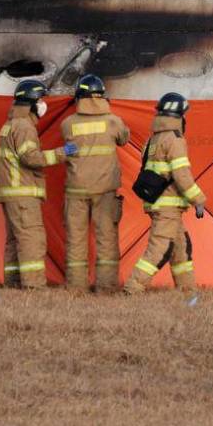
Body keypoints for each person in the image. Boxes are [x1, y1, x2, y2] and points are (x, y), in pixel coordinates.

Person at [0, 79, 76, 289]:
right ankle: (34, 286)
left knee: (15, 241)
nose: (43, 104)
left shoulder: (10, 124)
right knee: (32, 238)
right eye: (41, 99)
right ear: (31, 102)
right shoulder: (24, 127)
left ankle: (13, 284)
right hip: (22, 193)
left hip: (11, 193)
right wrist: (63, 153)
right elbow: (30, 158)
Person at [125, 92, 206, 294]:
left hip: (159, 202)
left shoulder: (153, 139)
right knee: (160, 247)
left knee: (180, 247)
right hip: (168, 204)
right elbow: (181, 174)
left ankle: (187, 290)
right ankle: (134, 286)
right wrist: (198, 199)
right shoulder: (175, 140)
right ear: (180, 115)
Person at [60, 74, 130, 291]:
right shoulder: (113, 121)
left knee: (76, 239)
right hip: (105, 190)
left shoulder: (68, 124)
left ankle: (75, 286)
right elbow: (124, 138)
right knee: (106, 239)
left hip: (75, 191)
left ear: (79, 97)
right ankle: (106, 287)